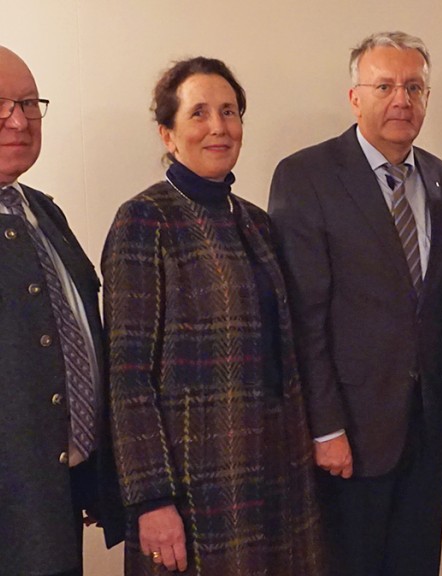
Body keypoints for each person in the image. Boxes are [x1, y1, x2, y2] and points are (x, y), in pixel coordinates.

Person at [102, 56, 325, 575]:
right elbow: (127, 375)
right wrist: (152, 500)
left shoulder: (256, 222)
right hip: (194, 486)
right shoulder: (144, 220)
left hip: (277, 475)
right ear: (168, 133)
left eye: (229, 111)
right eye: (199, 113)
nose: (219, 127)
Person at [268, 31, 442, 576]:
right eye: (384, 86)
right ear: (355, 97)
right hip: (349, 429)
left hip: (429, 429)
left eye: (414, 87)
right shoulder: (306, 176)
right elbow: (303, 317)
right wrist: (324, 428)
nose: (401, 99)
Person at [0, 46, 124, 576]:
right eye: (1, 105)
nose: (19, 120)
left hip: (56, 503)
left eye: (29, 103)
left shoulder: (43, 211)